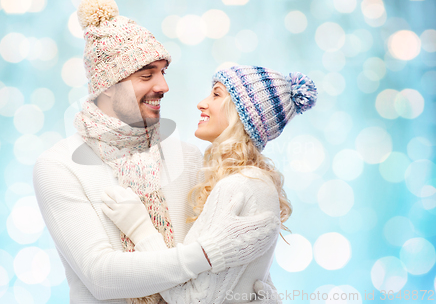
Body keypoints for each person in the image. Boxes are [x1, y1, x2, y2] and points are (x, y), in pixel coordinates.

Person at [32, 0, 276, 304]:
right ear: (106, 84)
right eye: (146, 75)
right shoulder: (61, 166)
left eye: (163, 72)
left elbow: (221, 278)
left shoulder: (188, 159)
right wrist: (208, 254)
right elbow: (102, 277)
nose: (163, 86)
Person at [101, 66, 318, 303]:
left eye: (216, 94)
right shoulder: (258, 183)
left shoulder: (237, 187)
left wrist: (139, 229)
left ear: (241, 111)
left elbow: (192, 299)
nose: (202, 103)